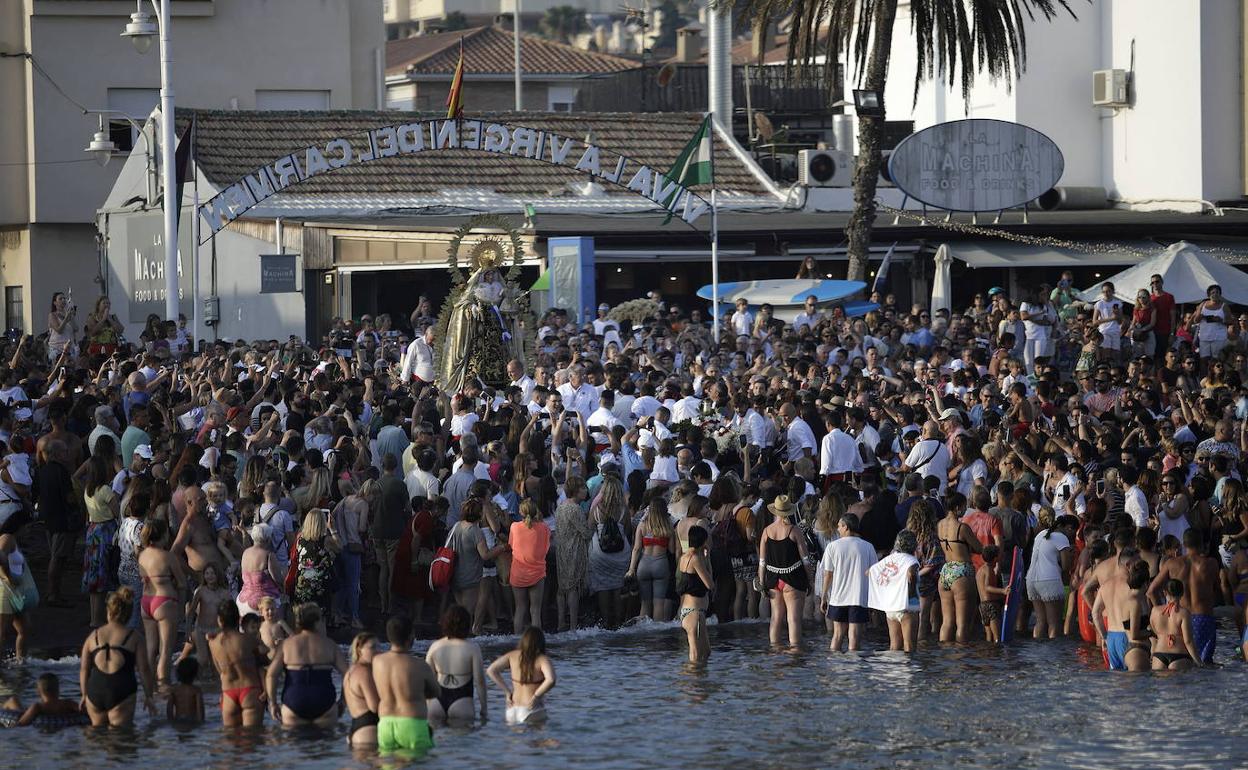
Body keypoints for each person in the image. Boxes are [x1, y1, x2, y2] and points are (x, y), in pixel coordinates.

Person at [78, 587, 156, 727]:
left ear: (108, 611)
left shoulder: (93, 636)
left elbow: (84, 669)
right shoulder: (135, 637)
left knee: (95, 739)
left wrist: (84, 695)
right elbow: (143, 669)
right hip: (122, 690)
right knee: (122, 739)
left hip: (95, 691)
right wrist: (149, 696)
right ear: (129, 613)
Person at [266, 603, 348, 728]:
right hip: (324, 701)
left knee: (294, 743)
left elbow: (271, 675)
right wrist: (343, 701)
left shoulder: (287, 645)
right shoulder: (329, 645)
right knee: (325, 741)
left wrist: (273, 703)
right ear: (317, 621)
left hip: (293, 701)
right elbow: (348, 674)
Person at [373, 615, 439, 755]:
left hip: (385, 724)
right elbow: (435, 692)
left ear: (389, 637)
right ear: (411, 637)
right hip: (412, 724)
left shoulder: (377, 662)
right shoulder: (420, 665)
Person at [819, 512, 877, 652]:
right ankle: (854, 668)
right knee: (854, 637)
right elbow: (873, 574)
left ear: (846, 527)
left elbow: (828, 574)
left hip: (838, 598)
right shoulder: (868, 547)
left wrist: (824, 596)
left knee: (837, 635)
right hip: (858, 597)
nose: (837, 529)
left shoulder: (833, 547)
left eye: (839, 526)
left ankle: (835, 666)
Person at [759, 495, 811, 648]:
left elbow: (762, 562)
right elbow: (805, 559)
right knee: (793, 619)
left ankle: (775, 652)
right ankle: (795, 654)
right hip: (793, 578)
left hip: (773, 579)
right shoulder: (794, 531)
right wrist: (811, 579)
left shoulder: (767, 531)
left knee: (775, 617)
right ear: (789, 512)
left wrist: (762, 583)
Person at [137, 518, 184, 686]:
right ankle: (164, 688)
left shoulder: (142, 555)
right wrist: (182, 608)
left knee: (151, 649)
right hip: (165, 601)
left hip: (146, 602)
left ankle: (148, 688)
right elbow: (182, 583)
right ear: (162, 535)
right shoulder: (167, 556)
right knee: (165, 650)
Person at [207, 600, 267, 727]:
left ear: (219, 620)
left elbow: (219, 670)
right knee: (253, 738)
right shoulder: (249, 639)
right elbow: (266, 654)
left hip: (228, 693)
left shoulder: (213, 643)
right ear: (238, 619)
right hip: (250, 690)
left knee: (230, 741)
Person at [425, 605, 487, 723]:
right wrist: (484, 709)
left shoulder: (435, 646)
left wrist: (428, 703)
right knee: (462, 740)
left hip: (436, 703)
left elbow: (427, 680)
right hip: (462, 701)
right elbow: (480, 682)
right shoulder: (472, 648)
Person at [936, 493, 983, 642]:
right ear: (957, 508)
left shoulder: (940, 525)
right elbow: (979, 548)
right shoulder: (962, 527)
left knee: (947, 622)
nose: (965, 509)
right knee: (963, 624)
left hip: (945, 571)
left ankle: (945, 656)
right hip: (962, 572)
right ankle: (961, 659)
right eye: (964, 506)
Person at [487, 626, 556, 725]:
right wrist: (536, 696)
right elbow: (551, 680)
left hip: (512, 710)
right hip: (531, 709)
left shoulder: (512, 655)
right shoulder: (542, 659)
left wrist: (507, 692)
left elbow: (491, 670)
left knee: (516, 739)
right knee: (539, 739)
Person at [866, 530, 921, 652]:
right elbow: (911, 572)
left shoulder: (889, 559)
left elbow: (869, 572)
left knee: (894, 646)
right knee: (909, 646)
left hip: (890, 608)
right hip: (908, 607)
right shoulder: (912, 560)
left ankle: (893, 669)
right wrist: (910, 588)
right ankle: (909, 670)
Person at [1025, 514, 1076, 639]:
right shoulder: (1062, 538)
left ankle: (1038, 653)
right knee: (1054, 623)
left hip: (1031, 580)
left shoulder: (1040, 534)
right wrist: (1071, 556)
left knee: (1040, 621)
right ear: (1069, 528)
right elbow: (1065, 567)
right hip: (1049, 580)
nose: (1073, 536)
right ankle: (1052, 655)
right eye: (1074, 532)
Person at [626, 496, 677, 622]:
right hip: (661, 564)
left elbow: (636, 549)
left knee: (645, 603)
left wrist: (631, 569)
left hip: (644, 565)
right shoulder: (668, 526)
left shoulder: (642, 525)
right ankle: (657, 637)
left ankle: (644, 636)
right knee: (659, 604)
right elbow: (671, 550)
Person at [509, 498, 550, 633]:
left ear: (521, 512)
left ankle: (516, 641)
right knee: (535, 611)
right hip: (537, 572)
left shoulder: (514, 527)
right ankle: (536, 643)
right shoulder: (544, 528)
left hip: (518, 572)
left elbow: (511, 545)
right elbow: (546, 548)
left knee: (520, 608)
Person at [1149, 578, 1207, 670]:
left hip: (1159, 655)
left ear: (1164, 593)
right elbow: (1188, 641)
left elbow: (1153, 632)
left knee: (1159, 683)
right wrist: (1199, 662)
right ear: (1182, 593)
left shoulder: (1155, 610)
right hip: (1179, 655)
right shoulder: (1184, 613)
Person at [676, 525, 713, 663]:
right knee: (696, 657)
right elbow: (710, 584)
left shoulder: (683, 557)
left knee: (706, 652)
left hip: (689, 610)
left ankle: (698, 681)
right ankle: (693, 683)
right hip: (694, 613)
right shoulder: (696, 559)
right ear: (702, 542)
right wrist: (707, 558)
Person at [0, 532, 36, 662]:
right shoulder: (6, 538)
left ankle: (21, 664)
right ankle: (19, 664)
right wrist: (8, 577)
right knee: (3, 634)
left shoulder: (9, 539)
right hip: (5, 591)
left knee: (24, 629)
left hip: (14, 591)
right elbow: (1, 558)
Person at [343, 632, 381, 747]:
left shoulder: (350, 672)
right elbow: (374, 707)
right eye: (372, 647)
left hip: (356, 727)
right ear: (359, 650)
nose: (377, 651)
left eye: (379, 647)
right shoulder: (364, 672)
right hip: (369, 729)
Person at [5, 673, 80, 727]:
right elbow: (84, 711)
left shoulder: (38, 707)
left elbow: (22, 723)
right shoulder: (67, 703)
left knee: (12, 700)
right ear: (58, 690)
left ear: (38, 691)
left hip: (25, 715)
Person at [975, 545, 1008, 642]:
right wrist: (1003, 591)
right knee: (997, 637)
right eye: (1000, 554)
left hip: (983, 606)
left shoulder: (981, 570)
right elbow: (987, 587)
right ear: (995, 558)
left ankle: (988, 655)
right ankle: (997, 655)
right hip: (991, 605)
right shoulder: (988, 570)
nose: (1002, 555)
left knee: (989, 637)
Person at [167, 656, 205, 725]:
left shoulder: (174, 690)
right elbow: (200, 712)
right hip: (192, 721)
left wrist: (172, 723)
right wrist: (201, 724)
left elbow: (169, 712)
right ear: (194, 674)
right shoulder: (196, 691)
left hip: (178, 720)